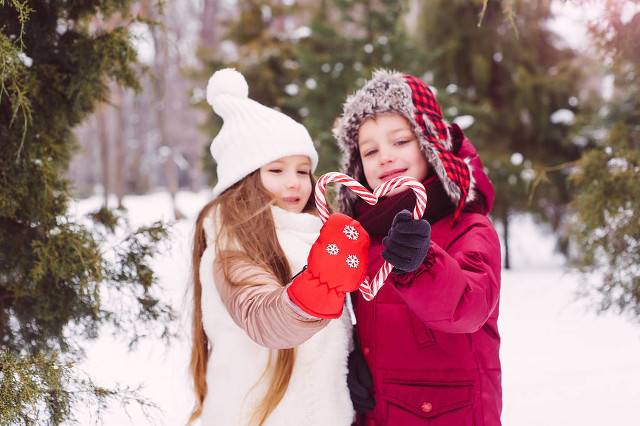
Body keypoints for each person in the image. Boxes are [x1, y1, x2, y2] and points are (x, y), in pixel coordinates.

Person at [188, 68, 370, 426]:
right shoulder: (232, 247)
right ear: (244, 178)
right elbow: (263, 317)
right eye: (276, 170)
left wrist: (355, 361)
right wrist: (318, 287)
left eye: (303, 171)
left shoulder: (318, 234)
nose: (294, 183)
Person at [333, 69, 502, 425]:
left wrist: (421, 263)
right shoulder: (362, 236)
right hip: (379, 412)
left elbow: (470, 307)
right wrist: (348, 361)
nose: (385, 157)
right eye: (371, 150)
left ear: (430, 145)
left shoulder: (468, 227)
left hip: (452, 414)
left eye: (400, 141)